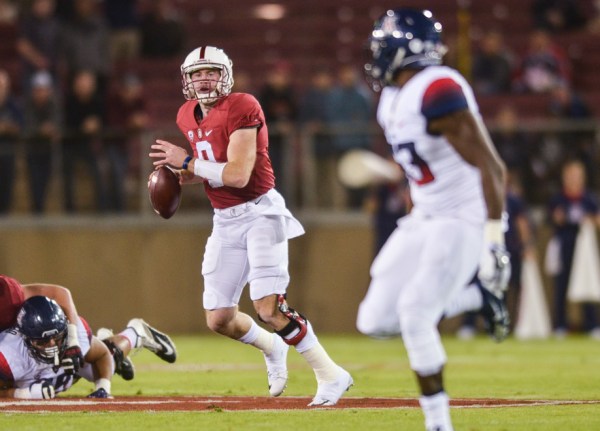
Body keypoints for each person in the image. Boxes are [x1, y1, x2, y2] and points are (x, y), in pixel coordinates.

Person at [149, 45, 352, 406]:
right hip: (225, 220)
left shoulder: (243, 105)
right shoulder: (186, 114)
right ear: (187, 80)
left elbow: (239, 175)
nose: (204, 79)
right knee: (220, 318)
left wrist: (190, 162)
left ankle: (331, 374)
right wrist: (184, 176)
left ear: (226, 74)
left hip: (260, 213)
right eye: (197, 74)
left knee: (268, 307)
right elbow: (212, 167)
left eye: (210, 71)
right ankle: (272, 346)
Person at [357, 9, 511, 431]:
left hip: (463, 217)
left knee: (414, 312)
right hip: (424, 215)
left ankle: (438, 424)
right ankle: (480, 298)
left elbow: (492, 168)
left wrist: (494, 240)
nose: (378, 56)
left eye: (384, 47)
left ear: (406, 50)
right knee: (373, 320)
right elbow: (420, 165)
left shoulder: (437, 89)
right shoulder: (391, 99)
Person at [0, 295, 177, 398]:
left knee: (107, 360)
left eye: (57, 337)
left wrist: (103, 388)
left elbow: (102, 355)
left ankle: (136, 333)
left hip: (71, 369)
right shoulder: (8, 354)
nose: (52, 345)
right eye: (43, 341)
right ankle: (110, 338)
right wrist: (23, 393)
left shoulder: (73, 335)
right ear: (25, 337)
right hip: (53, 374)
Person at [547, 159, 600, 338]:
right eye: (570, 176)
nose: (573, 179)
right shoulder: (558, 199)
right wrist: (557, 219)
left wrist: (591, 221)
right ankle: (560, 324)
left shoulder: (590, 199)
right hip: (565, 247)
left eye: (577, 176)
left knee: (587, 284)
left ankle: (591, 325)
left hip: (584, 251)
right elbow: (551, 220)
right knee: (561, 287)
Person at [22, 71, 62, 214]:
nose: (40, 93)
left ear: (49, 90)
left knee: (45, 182)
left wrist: (52, 129)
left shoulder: (54, 104)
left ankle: (41, 210)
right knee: (34, 182)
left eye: (43, 89)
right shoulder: (27, 104)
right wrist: (42, 130)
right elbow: (27, 126)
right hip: (32, 150)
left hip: (49, 150)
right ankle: (37, 211)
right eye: (38, 90)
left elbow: (58, 124)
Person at [0, 69, 22, 215]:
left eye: (2, 87)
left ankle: (5, 213)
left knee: (7, 183)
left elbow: (20, 127)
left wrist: (6, 127)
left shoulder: (13, 104)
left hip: (7, 149)